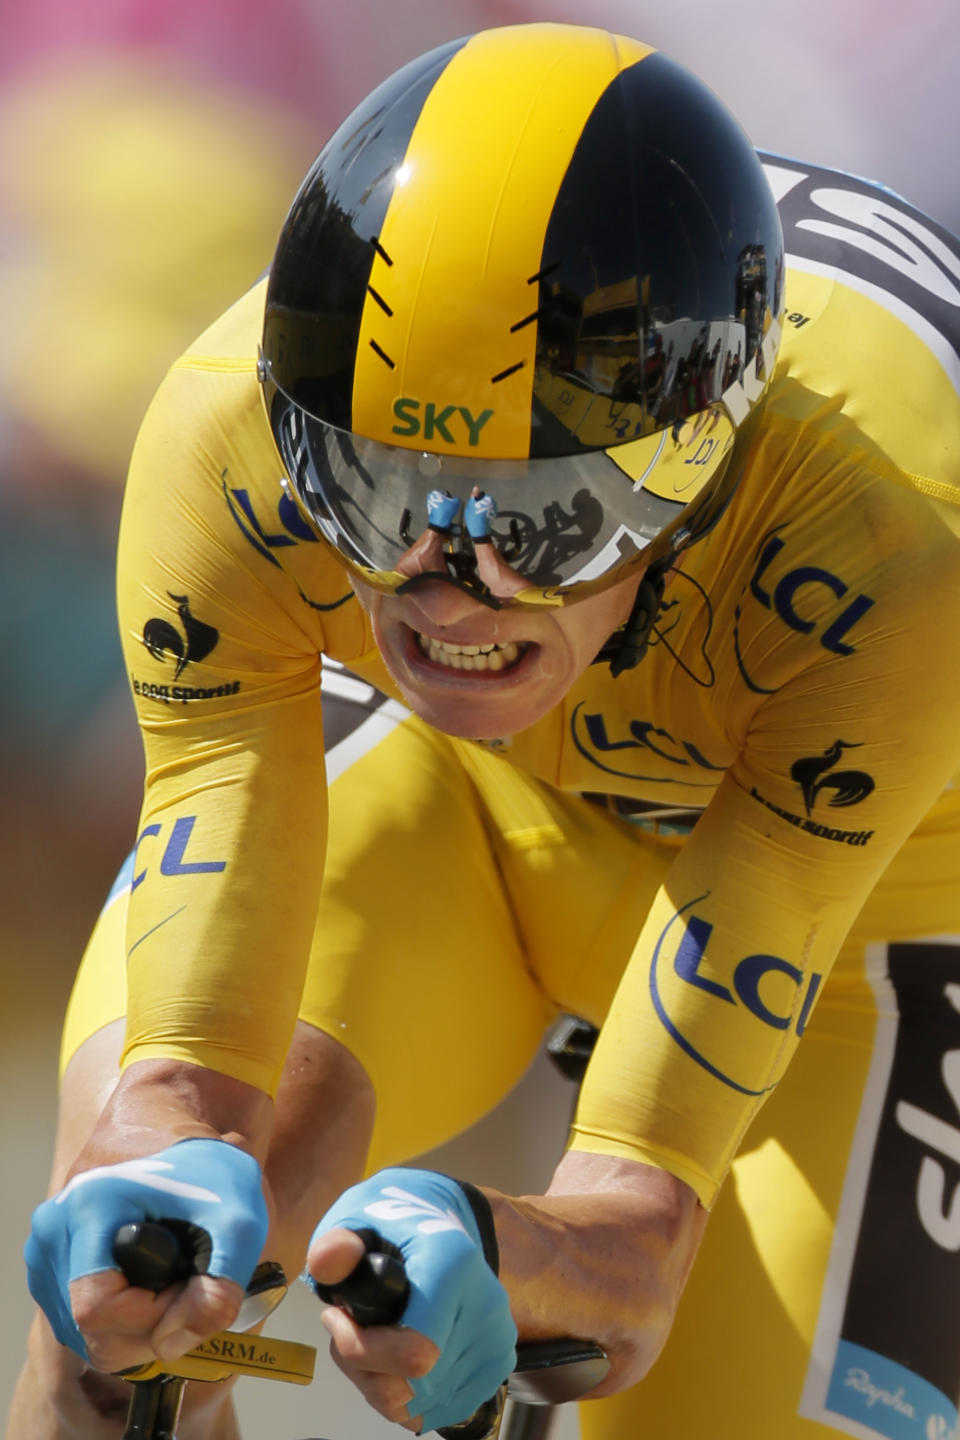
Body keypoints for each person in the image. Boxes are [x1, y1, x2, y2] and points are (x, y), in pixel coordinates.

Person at [9, 20, 960, 1440]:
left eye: (548, 518)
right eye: (380, 492)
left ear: (703, 471)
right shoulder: (225, 434)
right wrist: (158, 1172)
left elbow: (633, 1225)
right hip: (461, 796)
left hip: (864, 918)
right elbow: (178, 1080)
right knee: (130, 1292)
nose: (453, 592)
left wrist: (514, 1255)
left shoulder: (900, 527)